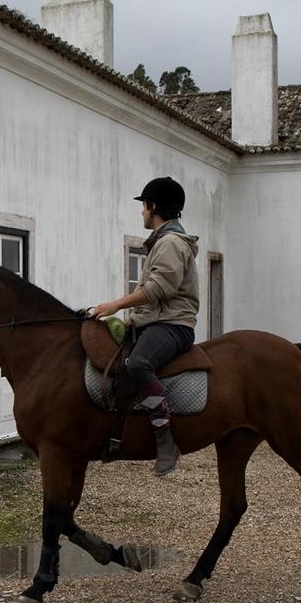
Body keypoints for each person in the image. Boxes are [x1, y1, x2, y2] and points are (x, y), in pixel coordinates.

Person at [88, 176, 200, 475]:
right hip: (154, 322)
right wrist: (128, 321)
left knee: (138, 364)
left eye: (144, 206)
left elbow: (159, 289)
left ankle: (165, 440)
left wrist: (116, 304)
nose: (141, 213)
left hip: (173, 326)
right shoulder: (161, 243)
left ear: (153, 207)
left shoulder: (171, 243)